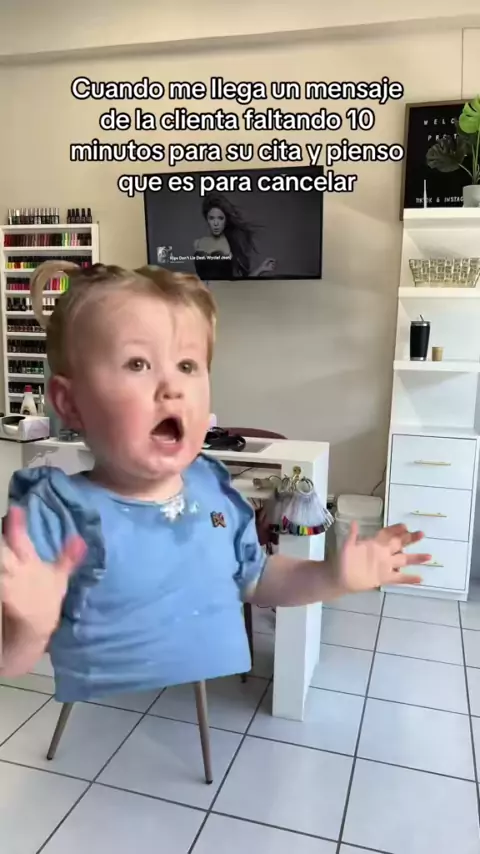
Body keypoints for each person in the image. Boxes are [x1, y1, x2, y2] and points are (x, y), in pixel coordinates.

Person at [0, 260, 430, 700]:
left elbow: (258, 579)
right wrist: (27, 629)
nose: (172, 387)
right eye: (137, 363)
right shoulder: (54, 514)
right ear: (69, 404)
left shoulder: (212, 488)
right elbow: (9, 660)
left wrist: (333, 575)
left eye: (187, 365)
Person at [193, 193, 276, 280]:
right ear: (207, 219)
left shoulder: (231, 245)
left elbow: (241, 283)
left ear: (226, 220)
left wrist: (261, 269)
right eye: (211, 218)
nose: (216, 223)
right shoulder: (197, 243)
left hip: (226, 289)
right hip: (202, 289)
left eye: (220, 218)